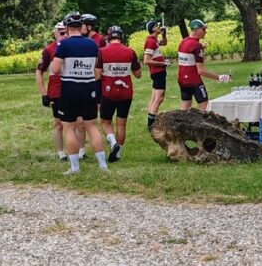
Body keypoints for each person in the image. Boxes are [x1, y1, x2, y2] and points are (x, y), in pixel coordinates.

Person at [50, 12, 109, 174]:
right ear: (82, 26)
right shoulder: (92, 44)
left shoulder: (64, 45)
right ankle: (102, 165)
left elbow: (55, 69)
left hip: (69, 89)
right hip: (89, 88)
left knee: (69, 128)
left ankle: (75, 167)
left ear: (67, 28)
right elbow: (95, 68)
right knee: (92, 126)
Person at [99, 26, 142, 162]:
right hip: (126, 93)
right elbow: (138, 74)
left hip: (108, 93)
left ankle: (113, 143)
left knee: (105, 122)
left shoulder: (102, 52)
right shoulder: (130, 52)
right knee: (121, 124)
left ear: (108, 37)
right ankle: (118, 154)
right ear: (122, 37)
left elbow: (96, 75)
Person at [177, 19, 230, 111]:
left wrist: (201, 47)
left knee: (185, 107)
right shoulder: (197, 46)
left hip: (182, 80)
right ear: (196, 30)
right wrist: (219, 77)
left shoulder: (184, 41)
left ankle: (179, 120)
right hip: (194, 81)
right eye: (203, 29)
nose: (206, 32)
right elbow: (201, 71)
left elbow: (189, 51)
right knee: (204, 109)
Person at [36, 22, 70, 161]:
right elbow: (39, 72)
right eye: (61, 33)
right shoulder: (49, 50)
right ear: (55, 34)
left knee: (78, 122)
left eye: (67, 32)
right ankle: (61, 153)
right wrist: (44, 93)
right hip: (56, 90)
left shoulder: (74, 47)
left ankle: (80, 151)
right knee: (59, 123)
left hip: (73, 87)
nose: (64, 35)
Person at [143, 20, 171, 129]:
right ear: (154, 29)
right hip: (158, 72)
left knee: (154, 97)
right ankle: (151, 125)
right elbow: (146, 60)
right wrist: (162, 64)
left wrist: (164, 34)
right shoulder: (151, 42)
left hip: (158, 72)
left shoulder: (154, 40)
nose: (160, 27)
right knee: (159, 98)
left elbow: (164, 43)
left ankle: (150, 122)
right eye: (158, 26)